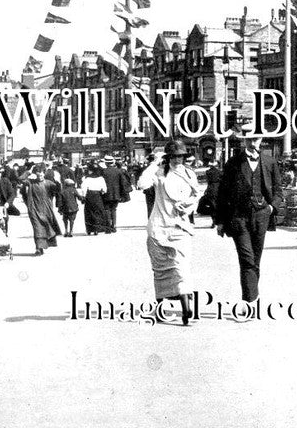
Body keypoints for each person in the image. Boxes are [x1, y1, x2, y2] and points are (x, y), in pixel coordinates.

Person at [214, 123, 283, 303]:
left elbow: (278, 191)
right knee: (247, 259)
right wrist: (220, 221)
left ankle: (253, 294)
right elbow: (222, 193)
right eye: (250, 139)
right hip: (239, 218)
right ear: (244, 140)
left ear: (261, 140)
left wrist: (271, 208)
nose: (253, 143)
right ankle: (249, 301)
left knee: (255, 260)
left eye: (256, 139)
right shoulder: (233, 163)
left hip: (261, 215)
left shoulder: (270, 162)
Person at [137, 140, 204, 325]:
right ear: (168, 158)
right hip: (158, 227)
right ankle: (160, 309)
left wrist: (188, 207)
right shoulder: (159, 174)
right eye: (174, 156)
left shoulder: (189, 174)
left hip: (180, 227)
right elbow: (142, 184)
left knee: (181, 268)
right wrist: (154, 163)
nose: (178, 160)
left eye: (181, 156)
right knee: (159, 271)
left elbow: (196, 195)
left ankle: (186, 310)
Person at [22, 166, 61, 255]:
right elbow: (21, 179)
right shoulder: (31, 183)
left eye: (42, 175)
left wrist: (58, 182)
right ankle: (38, 248)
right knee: (37, 229)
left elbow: (58, 190)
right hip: (34, 209)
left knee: (46, 228)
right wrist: (29, 171)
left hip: (46, 209)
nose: (40, 177)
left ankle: (44, 245)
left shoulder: (48, 183)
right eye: (38, 175)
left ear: (44, 174)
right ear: (36, 175)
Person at [99, 155, 130, 234]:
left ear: (106, 163)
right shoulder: (118, 171)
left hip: (106, 194)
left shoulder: (103, 172)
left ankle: (108, 227)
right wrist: (124, 194)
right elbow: (123, 183)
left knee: (107, 210)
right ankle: (114, 226)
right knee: (114, 209)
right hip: (116, 194)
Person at [80, 163, 109, 236]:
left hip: (89, 195)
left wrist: (83, 196)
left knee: (89, 212)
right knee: (98, 211)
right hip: (98, 196)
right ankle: (97, 229)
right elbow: (104, 189)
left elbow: (83, 188)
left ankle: (89, 229)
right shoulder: (101, 178)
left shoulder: (87, 178)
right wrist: (102, 192)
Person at [57, 166, 80, 237]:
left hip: (65, 208)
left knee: (65, 219)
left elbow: (60, 201)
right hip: (73, 208)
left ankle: (66, 231)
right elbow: (79, 197)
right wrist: (83, 199)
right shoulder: (74, 190)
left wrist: (59, 209)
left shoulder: (62, 191)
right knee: (72, 220)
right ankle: (71, 231)